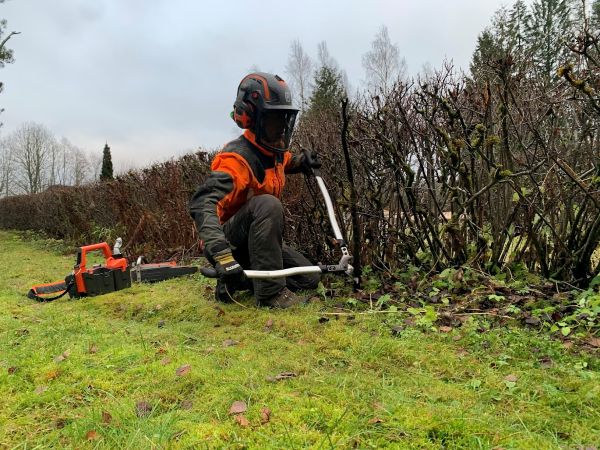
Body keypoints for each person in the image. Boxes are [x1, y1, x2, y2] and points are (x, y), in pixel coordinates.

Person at [189, 72, 321, 308]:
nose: (281, 127)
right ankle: (270, 295)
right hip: (229, 243)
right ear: (253, 118)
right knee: (267, 204)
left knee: (309, 278)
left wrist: (302, 162)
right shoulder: (236, 159)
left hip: (255, 243)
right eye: (274, 119)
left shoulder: (273, 150)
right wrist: (222, 255)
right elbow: (203, 203)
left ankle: (238, 281)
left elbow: (282, 163)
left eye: (284, 118)